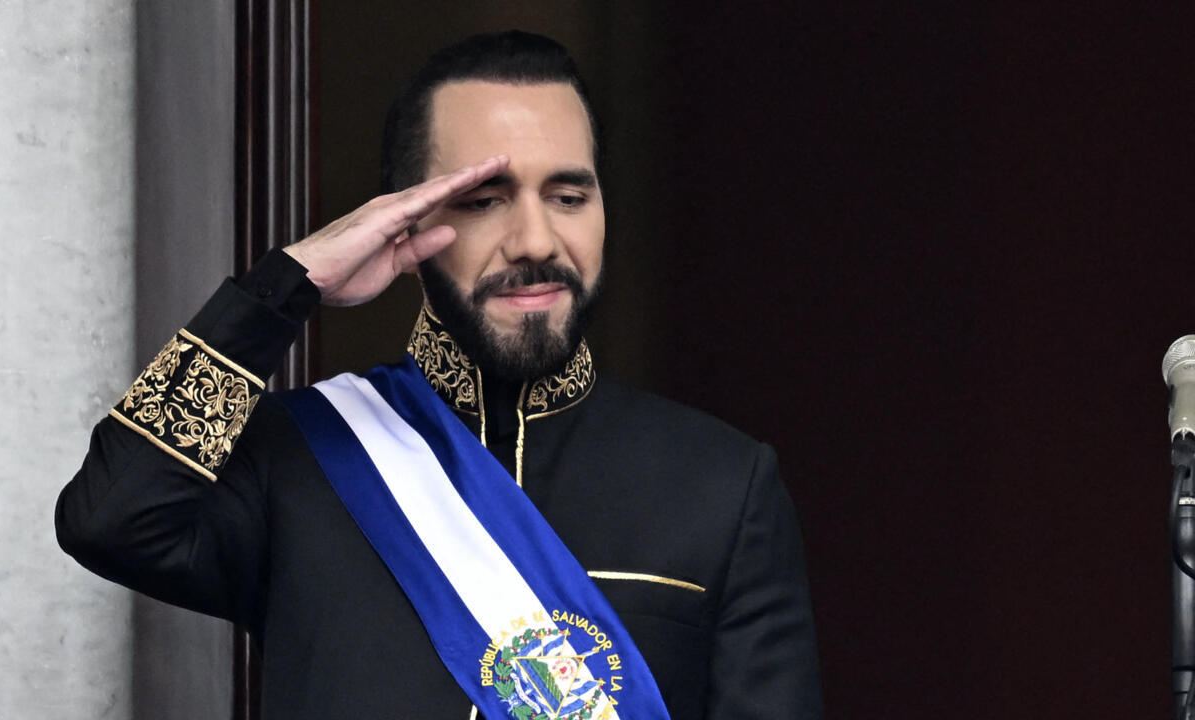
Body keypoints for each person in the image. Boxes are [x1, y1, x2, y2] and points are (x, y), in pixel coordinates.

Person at [56, 31, 822, 719]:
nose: (534, 239)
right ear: (408, 223)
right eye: (483, 200)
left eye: (568, 195)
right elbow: (110, 517)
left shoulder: (722, 486)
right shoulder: (298, 459)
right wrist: (282, 288)